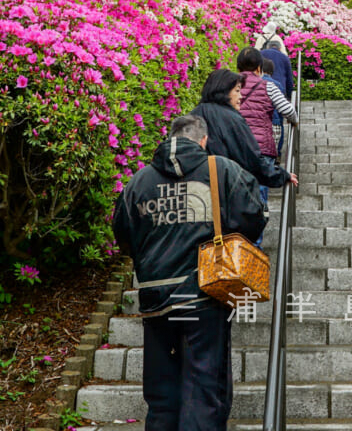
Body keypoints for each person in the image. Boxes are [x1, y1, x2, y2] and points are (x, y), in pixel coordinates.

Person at [114, 114, 267, 431]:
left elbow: (123, 234)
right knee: (204, 390)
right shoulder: (220, 169)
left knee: (161, 394)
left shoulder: (139, 181)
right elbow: (253, 216)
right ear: (203, 140)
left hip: (155, 297)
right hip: (204, 294)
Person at [190, 69, 297, 194]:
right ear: (223, 90)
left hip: (197, 189)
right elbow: (251, 159)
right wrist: (282, 175)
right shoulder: (232, 118)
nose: (241, 96)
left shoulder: (192, 116)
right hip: (226, 188)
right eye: (237, 90)